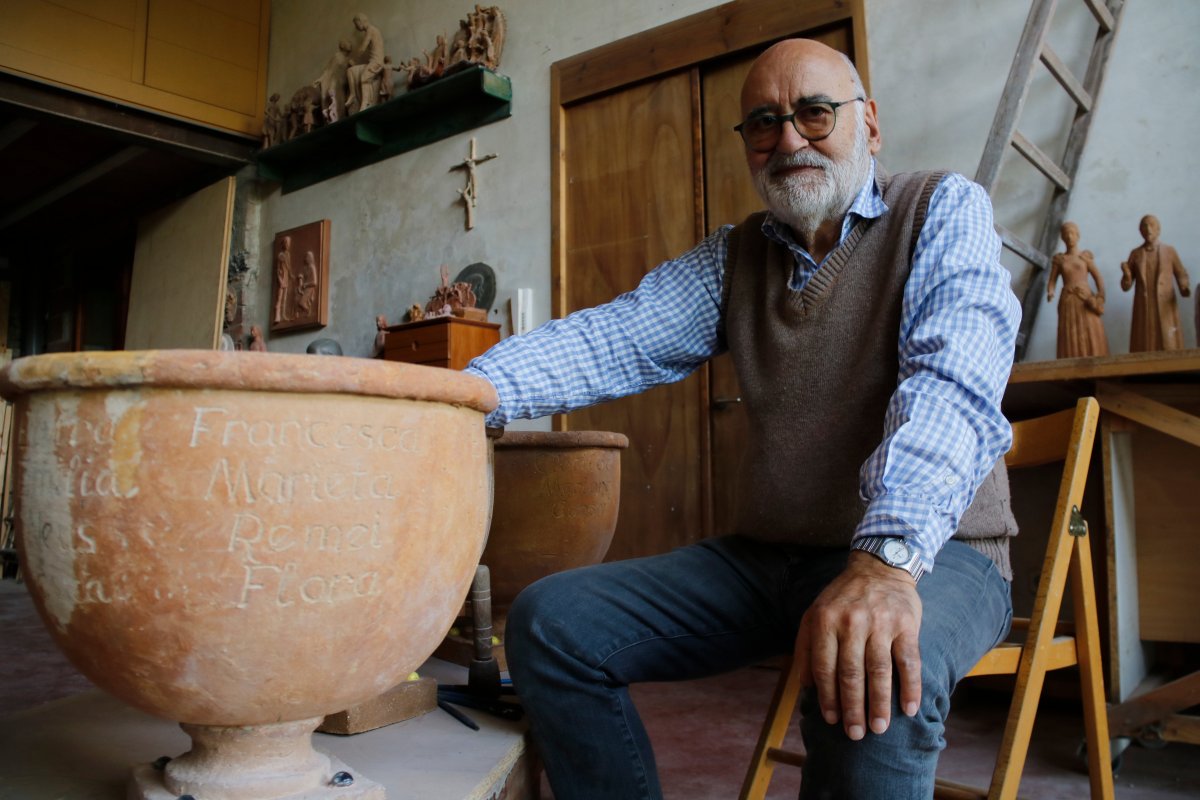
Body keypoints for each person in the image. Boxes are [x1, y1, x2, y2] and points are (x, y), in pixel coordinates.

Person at [465, 39, 1020, 799]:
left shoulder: (942, 208)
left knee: (877, 668)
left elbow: (951, 382)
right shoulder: (734, 258)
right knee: (550, 625)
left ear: (870, 124)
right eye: (763, 123)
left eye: (814, 113)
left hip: (934, 552)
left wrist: (883, 566)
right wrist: (461, 395)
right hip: (774, 560)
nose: (789, 140)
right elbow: (615, 337)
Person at [1120, 214, 1191, 352]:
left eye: (1151, 225)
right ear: (1140, 231)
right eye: (1144, 226)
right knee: (1144, 339)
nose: (1148, 229)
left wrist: (1184, 286)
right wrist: (1127, 275)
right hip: (1144, 303)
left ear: (1158, 229)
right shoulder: (1135, 254)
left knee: (1168, 337)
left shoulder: (1169, 251)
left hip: (1165, 301)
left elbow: (1181, 273)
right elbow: (1126, 286)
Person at [1047, 221, 1109, 358]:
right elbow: (1052, 281)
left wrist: (1100, 296)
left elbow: (1098, 278)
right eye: (1066, 234)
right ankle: (1070, 361)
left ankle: (1095, 360)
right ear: (1062, 238)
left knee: (1090, 328)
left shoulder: (1084, 258)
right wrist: (1050, 292)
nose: (1069, 237)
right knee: (1070, 330)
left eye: (1072, 233)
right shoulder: (1060, 260)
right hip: (1068, 299)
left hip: (1085, 298)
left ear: (1077, 235)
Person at [345, 13, 385, 113]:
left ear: (360, 21)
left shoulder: (371, 30)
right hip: (372, 62)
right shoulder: (371, 30)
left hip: (377, 62)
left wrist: (354, 60)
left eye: (356, 24)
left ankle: (366, 102)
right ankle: (353, 94)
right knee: (350, 71)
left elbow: (363, 48)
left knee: (364, 77)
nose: (356, 27)